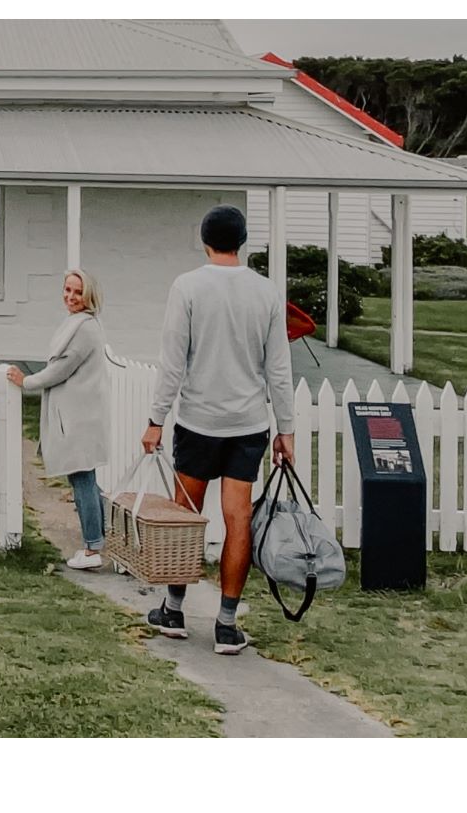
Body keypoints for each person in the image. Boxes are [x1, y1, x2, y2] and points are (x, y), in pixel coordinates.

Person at [141, 205, 296, 656]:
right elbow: (278, 369)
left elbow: (173, 362)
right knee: (238, 519)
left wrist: (155, 420)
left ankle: (174, 609)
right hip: (248, 425)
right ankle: (227, 624)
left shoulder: (187, 287)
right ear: (243, 241)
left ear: (204, 239)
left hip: (198, 422)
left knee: (184, 515)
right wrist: (286, 430)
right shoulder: (266, 292)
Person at [8, 269, 112, 571]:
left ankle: (93, 548)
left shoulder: (85, 329)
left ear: (89, 295)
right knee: (85, 479)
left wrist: (26, 381)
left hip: (80, 415)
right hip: (80, 412)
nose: (70, 296)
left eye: (77, 292)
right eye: (67, 290)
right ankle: (104, 538)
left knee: (82, 478)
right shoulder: (79, 323)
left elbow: (61, 369)